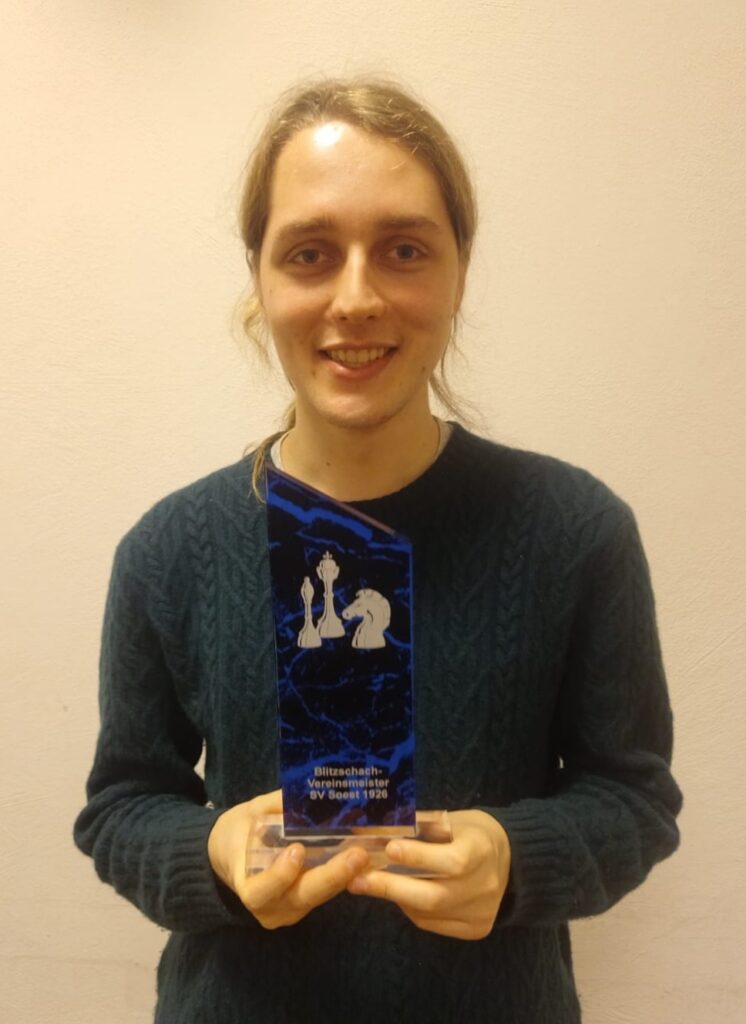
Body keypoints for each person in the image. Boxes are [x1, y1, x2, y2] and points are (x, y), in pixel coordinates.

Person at [74, 77, 682, 1023]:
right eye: (310, 254)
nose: (355, 299)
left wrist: (517, 857)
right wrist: (211, 855)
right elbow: (121, 805)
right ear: (260, 276)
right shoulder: (169, 550)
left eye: (403, 250)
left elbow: (635, 798)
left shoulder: (575, 530)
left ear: (459, 270)